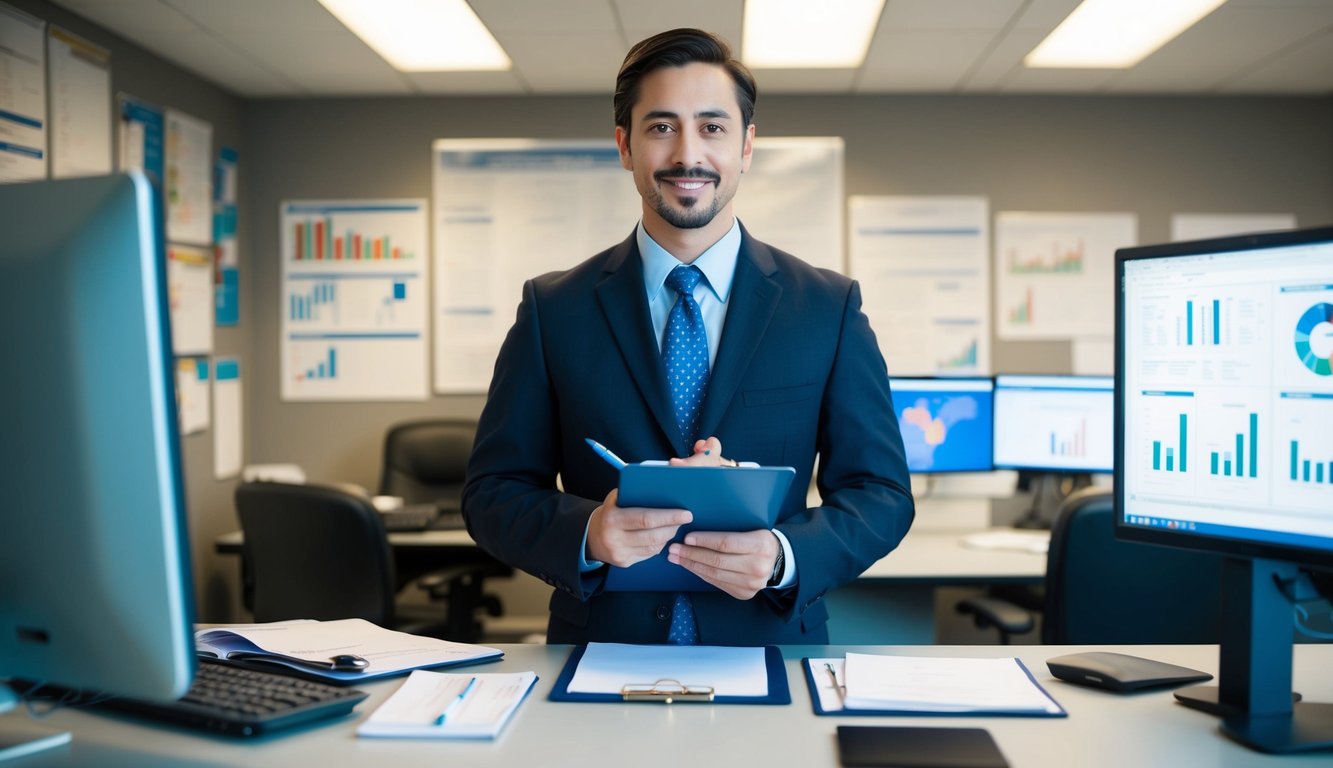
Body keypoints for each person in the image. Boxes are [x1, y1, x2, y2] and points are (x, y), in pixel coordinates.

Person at [462, 28, 913, 645]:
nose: (687, 154)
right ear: (625, 144)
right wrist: (588, 534)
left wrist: (785, 556)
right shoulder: (554, 308)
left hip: (772, 650)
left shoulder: (827, 308)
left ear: (747, 145)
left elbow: (880, 493)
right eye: (661, 127)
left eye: (713, 127)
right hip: (601, 654)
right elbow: (494, 492)